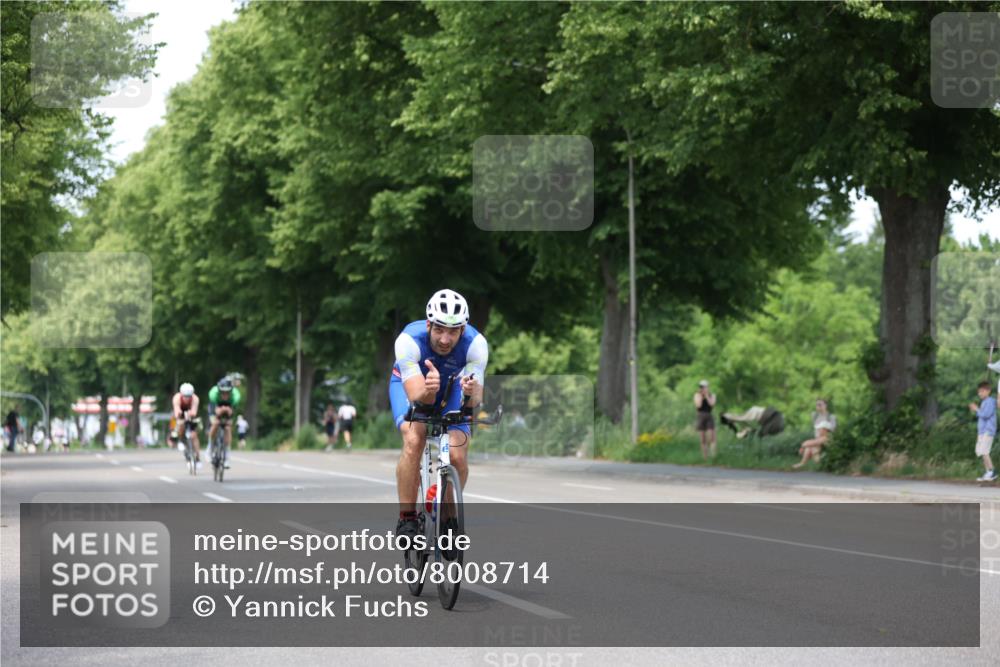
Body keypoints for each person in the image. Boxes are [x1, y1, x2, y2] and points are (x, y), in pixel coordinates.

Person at [390, 289, 488, 540]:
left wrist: (471, 392)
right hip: (413, 386)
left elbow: (474, 401)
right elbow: (418, 397)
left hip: (452, 386)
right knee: (414, 439)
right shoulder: (408, 341)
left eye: (453, 332)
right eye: (439, 330)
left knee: (458, 455)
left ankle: (448, 513)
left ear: (462, 330)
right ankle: (407, 518)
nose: (445, 339)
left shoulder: (476, 345)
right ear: (428, 325)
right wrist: (429, 390)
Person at [208, 377, 242, 469]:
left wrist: (228, 412)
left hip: (229, 405)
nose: (225, 394)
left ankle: (226, 455)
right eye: (223, 392)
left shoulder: (235, 396)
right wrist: (219, 411)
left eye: (227, 392)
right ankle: (210, 447)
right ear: (219, 390)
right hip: (216, 405)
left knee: (228, 427)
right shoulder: (213, 394)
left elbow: (232, 411)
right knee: (215, 423)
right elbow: (215, 410)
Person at [793, 398, 837, 469]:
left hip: (826, 440)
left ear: (825, 405)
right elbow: (816, 430)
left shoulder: (831, 417)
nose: (818, 406)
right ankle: (803, 463)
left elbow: (833, 430)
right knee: (810, 448)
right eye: (817, 405)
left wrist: (802, 447)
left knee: (809, 446)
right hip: (818, 439)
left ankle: (807, 462)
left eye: (820, 405)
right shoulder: (814, 415)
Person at [969, 381, 997, 482]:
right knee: (980, 451)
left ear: (988, 391)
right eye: (979, 392)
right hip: (982, 431)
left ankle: (992, 472)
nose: (980, 393)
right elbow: (982, 415)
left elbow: (986, 415)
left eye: (982, 391)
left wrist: (976, 409)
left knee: (984, 451)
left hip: (988, 430)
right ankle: (988, 472)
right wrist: (977, 410)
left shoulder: (990, 401)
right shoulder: (984, 402)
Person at [172, 382, 202, 469]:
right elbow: (176, 411)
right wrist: (180, 414)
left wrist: (190, 414)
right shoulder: (176, 398)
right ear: (181, 394)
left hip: (191, 413)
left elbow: (194, 411)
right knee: (180, 424)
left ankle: (198, 458)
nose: (187, 398)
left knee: (194, 436)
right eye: (185, 396)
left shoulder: (195, 399)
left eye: (189, 396)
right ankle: (181, 440)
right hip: (181, 413)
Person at [693, 380, 717, 459]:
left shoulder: (712, 395)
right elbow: (698, 405)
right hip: (700, 415)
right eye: (701, 387)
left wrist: (707, 396)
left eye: (704, 387)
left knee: (712, 437)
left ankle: (713, 456)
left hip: (709, 415)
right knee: (703, 439)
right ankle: (705, 457)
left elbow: (712, 404)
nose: (703, 388)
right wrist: (701, 396)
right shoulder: (697, 395)